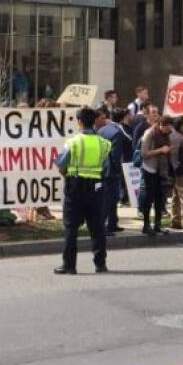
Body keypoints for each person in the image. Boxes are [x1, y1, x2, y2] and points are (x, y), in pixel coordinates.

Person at [53, 108, 111, 274]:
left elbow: (61, 164)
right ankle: (100, 264)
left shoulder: (73, 142)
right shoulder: (104, 143)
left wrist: (67, 175)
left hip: (75, 187)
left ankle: (70, 265)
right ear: (94, 121)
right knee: (97, 227)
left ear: (79, 121)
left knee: (71, 227)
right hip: (96, 188)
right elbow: (107, 167)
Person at [138, 115, 174, 235]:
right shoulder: (150, 133)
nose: (168, 131)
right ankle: (146, 225)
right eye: (166, 128)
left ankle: (157, 225)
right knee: (149, 197)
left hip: (161, 169)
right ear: (160, 125)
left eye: (169, 128)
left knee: (160, 198)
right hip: (150, 168)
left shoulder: (166, 134)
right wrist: (160, 150)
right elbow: (144, 153)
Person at [97, 108, 131, 234]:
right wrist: (118, 170)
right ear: (122, 118)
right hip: (111, 170)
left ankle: (112, 223)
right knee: (109, 199)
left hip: (101, 168)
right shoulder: (117, 132)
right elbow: (116, 155)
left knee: (111, 199)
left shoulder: (101, 130)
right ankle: (103, 226)